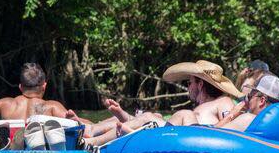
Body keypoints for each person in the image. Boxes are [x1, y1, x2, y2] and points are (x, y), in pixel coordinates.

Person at [83, 60, 243, 146]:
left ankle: (95, 139)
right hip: (177, 133)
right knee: (149, 116)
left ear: (200, 84)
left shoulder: (224, 101)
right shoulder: (202, 107)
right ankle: (91, 133)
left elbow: (230, 127)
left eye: (190, 83)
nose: (188, 87)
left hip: (193, 139)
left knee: (174, 115)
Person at [215, 74, 279, 131]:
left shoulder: (248, 119)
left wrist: (231, 115)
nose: (247, 100)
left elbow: (211, 134)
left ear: (262, 101)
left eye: (250, 96)